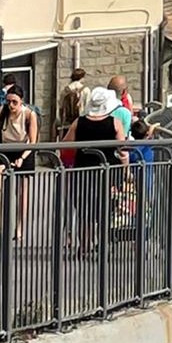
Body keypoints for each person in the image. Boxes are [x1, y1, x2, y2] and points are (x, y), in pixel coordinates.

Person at [70, 86, 127, 256]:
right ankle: (102, 244)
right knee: (105, 209)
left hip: (83, 170)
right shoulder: (115, 123)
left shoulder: (78, 122)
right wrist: (126, 171)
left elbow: (66, 142)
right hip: (107, 172)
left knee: (83, 209)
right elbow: (122, 148)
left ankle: (84, 245)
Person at [0, 83, 38, 241]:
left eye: (15, 102)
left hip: (24, 148)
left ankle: (20, 226)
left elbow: (33, 141)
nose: (11, 105)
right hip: (6, 146)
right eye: (8, 101)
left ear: (21, 101)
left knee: (22, 190)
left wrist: (22, 158)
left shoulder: (29, 114)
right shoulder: (2, 111)